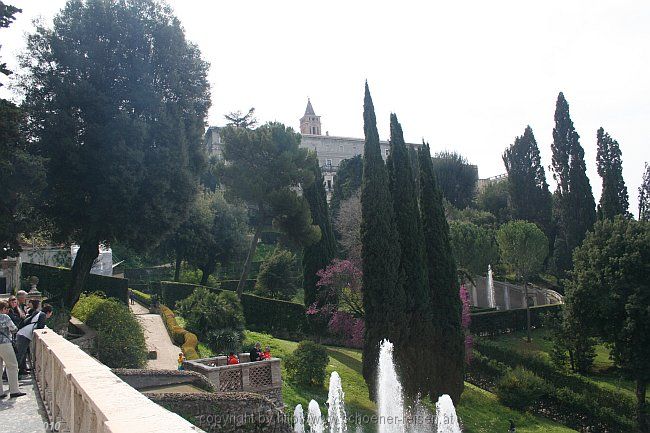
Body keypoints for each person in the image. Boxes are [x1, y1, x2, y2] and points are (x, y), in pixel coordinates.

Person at [15, 304, 52, 376]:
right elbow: (40, 326)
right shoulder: (43, 315)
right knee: (19, 355)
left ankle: (21, 370)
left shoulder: (38, 313)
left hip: (22, 333)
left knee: (22, 354)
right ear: (49, 312)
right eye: (51, 313)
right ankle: (8, 374)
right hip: (24, 335)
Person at [0, 301, 26, 399]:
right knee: (12, 365)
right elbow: (13, 328)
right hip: (4, 343)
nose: (7, 311)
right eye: (6, 309)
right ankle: (14, 390)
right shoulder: (5, 317)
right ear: (3, 309)